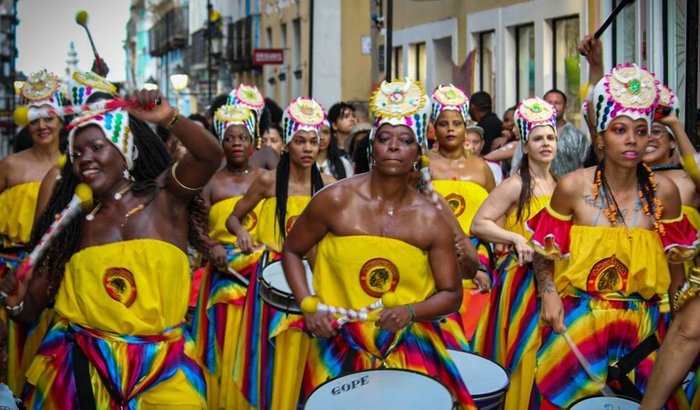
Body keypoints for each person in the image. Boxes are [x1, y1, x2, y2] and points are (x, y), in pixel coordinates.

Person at [7, 89, 222, 408]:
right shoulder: (71, 225)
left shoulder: (165, 198)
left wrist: (168, 117)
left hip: (165, 368)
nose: (85, 159)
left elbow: (210, 156)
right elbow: (29, 311)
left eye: (96, 147)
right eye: (77, 153)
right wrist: (15, 303)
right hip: (82, 370)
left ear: (124, 148)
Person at [282, 78, 477, 408]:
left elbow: (451, 294)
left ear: (418, 153)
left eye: (405, 140)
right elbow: (291, 250)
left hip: (408, 346)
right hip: (338, 341)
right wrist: (308, 305)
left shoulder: (430, 218)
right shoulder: (335, 200)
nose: (394, 147)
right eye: (385, 138)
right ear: (372, 147)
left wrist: (409, 311)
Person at [528, 63, 698, 408]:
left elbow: (677, 278)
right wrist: (548, 293)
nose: (632, 139)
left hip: (645, 330)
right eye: (620, 130)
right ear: (601, 137)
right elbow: (544, 253)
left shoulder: (665, 193)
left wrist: (678, 331)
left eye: (641, 131)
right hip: (578, 324)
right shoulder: (572, 187)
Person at [227, 97, 334, 410]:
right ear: (286, 144)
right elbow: (234, 217)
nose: (308, 148)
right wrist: (242, 232)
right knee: (269, 354)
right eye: (300, 141)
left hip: (317, 277)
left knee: (313, 353)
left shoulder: (329, 185)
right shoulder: (268, 181)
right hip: (271, 276)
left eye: (313, 141)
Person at [471, 97, 558, 408]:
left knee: (550, 357)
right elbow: (478, 223)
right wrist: (514, 237)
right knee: (525, 350)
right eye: (538, 138)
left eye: (550, 137)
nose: (545, 144)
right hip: (520, 281)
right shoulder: (515, 185)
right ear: (525, 144)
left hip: (556, 281)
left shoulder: (561, 185)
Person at [190, 85, 266, 409]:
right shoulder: (210, 181)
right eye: (230, 138)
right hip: (223, 274)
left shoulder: (266, 178)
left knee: (255, 344)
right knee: (223, 340)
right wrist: (211, 248)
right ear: (221, 143)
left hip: (261, 275)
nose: (236, 143)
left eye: (242, 137)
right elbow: (195, 224)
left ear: (253, 143)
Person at [0, 70, 65, 395]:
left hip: (54, 275)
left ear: (61, 120)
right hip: (8, 274)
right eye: (34, 119)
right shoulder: (10, 165)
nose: (42, 126)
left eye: (48, 118)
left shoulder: (76, 166)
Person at [428, 84, 494, 340]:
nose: (451, 129)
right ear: (434, 127)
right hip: (433, 257)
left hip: (479, 255)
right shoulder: (424, 165)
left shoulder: (481, 167)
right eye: (444, 124)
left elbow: (495, 211)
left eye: (457, 123)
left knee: (476, 335)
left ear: (466, 127)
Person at [511, 89, 590, 177]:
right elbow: (517, 163)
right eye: (549, 103)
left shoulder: (578, 136)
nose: (553, 106)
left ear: (565, 107)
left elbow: (585, 166)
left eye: (557, 103)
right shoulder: (530, 134)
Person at [468, 91, 502, 155]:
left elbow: (483, 153)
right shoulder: (497, 122)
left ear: (472, 106)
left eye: (475, 142)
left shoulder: (482, 127)